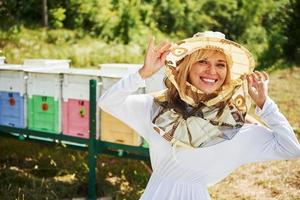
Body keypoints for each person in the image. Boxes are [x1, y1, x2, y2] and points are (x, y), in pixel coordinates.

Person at [99, 31, 300, 200]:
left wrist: (266, 105)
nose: (212, 71)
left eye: (221, 64)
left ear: (228, 72)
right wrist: (142, 73)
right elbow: (107, 102)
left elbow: (291, 148)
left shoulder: (234, 126)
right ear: (187, 66)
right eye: (202, 61)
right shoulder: (157, 108)